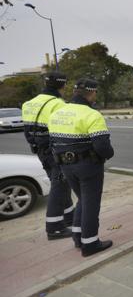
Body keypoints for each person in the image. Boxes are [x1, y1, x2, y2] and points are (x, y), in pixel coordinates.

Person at [48, 79, 114, 257]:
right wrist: (108, 155)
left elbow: (51, 141)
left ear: (75, 92)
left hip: (65, 166)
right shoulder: (92, 114)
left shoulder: (58, 112)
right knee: (91, 204)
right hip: (88, 166)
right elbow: (102, 146)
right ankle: (90, 244)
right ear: (92, 94)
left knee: (83, 200)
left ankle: (78, 236)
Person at [21, 72, 75, 239]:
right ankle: (54, 228)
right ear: (62, 85)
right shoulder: (58, 104)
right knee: (59, 185)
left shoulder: (28, 104)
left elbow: (27, 131)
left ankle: (69, 218)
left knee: (60, 183)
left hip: (40, 150)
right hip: (55, 151)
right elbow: (64, 131)